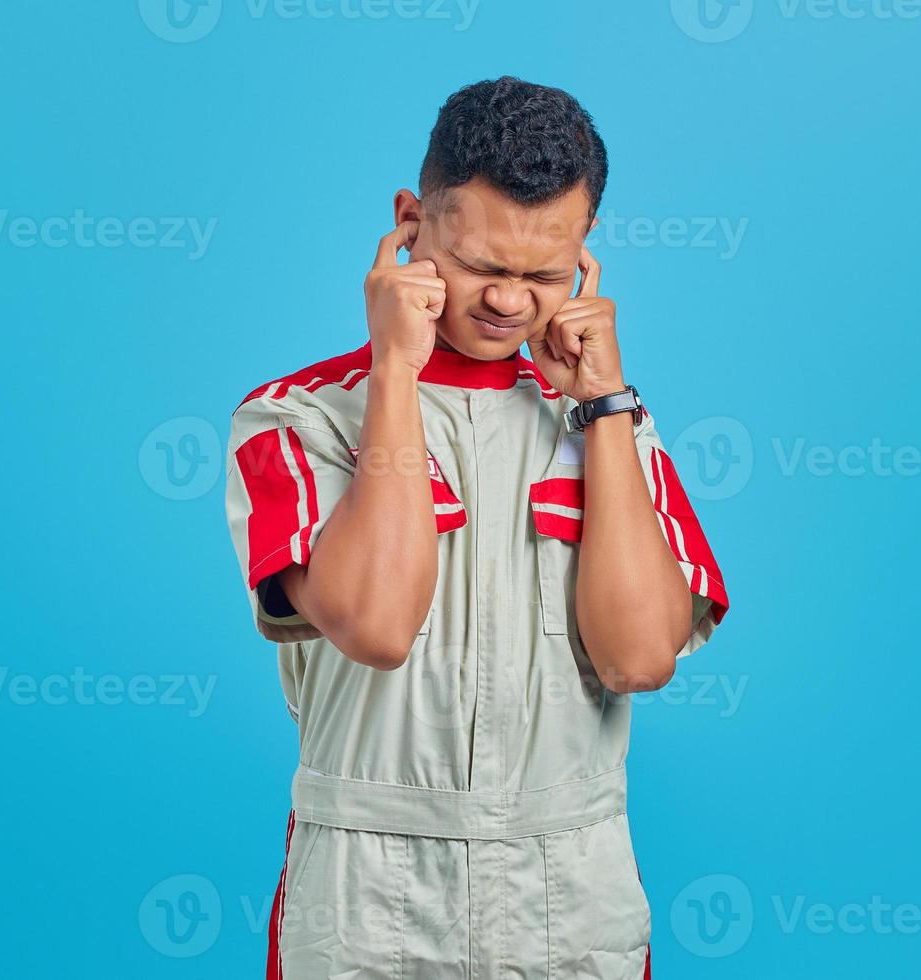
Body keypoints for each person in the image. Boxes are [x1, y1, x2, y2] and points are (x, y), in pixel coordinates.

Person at [225, 75, 730, 979]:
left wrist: (604, 407)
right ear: (409, 225)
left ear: (586, 251)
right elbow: (376, 628)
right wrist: (394, 368)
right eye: (482, 267)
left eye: (544, 274)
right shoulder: (298, 419)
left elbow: (638, 660)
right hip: (368, 891)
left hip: (569, 885)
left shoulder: (613, 427)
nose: (508, 302)